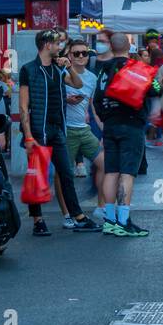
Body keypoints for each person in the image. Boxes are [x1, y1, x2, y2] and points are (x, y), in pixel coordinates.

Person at [18, 30, 100, 237]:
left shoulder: (58, 68)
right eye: (57, 44)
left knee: (66, 173)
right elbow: (23, 106)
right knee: (38, 175)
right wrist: (28, 135)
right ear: (47, 45)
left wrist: (69, 67)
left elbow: (78, 84)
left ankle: (78, 215)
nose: (60, 47)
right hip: (38, 129)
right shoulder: (29, 69)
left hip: (58, 128)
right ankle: (38, 220)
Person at [94, 32, 153, 237]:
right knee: (127, 173)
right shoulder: (136, 68)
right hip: (131, 125)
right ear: (129, 46)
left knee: (111, 171)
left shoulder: (103, 70)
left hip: (110, 124)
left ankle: (109, 219)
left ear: (111, 46)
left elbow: (96, 100)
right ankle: (124, 220)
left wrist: (106, 118)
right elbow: (155, 88)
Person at [63, 38, 104, 206]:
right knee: (64, 173)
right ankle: (67, 212)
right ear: (69, 56)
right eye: (76, 53)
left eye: (84, 53)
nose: (81, 56)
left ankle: (102, 208)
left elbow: (92, 105)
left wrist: (103, 129)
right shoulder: (62, 74)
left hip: (84, 129)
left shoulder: (93, 78)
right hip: (66, 129)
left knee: (105, 164)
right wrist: (66, 99)